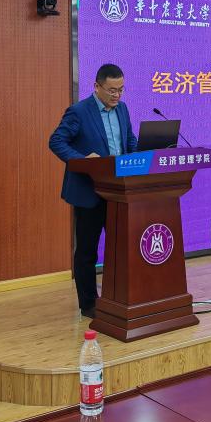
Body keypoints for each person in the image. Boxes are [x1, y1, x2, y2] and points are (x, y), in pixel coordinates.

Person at [49, 64, 137, 319]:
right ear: (97, 86)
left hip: (119, 192)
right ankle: (88, 303)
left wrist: (141, 157)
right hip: (89, 192)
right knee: (87, 251)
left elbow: (128, 140)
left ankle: (118, 296)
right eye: (111, 90)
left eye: (121, 90)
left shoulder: (123, 109)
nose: (117, 95)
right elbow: (56, 141)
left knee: (120, 247)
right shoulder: (79, 111)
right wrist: (83, 161)